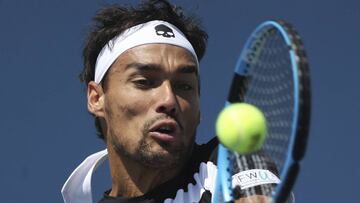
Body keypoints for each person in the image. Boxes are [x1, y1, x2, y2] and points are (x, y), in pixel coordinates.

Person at [61, 1, 281, 202]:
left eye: (184, 86)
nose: (169, 100)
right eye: (144, 82)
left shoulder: (229, 161)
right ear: (97, 98)